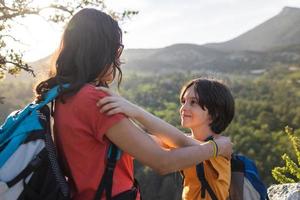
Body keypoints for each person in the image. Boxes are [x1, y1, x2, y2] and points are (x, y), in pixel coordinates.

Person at [35, 8, 233, 200]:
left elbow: (156, 141)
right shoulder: (94, 100)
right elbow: (162, 162)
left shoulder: (64, 96)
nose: (118, 60)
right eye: (116, 50)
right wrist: (215, 148)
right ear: (100, 51)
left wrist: (136, 111)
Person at [97, 78, 235, 200]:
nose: (183, 108)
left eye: (193, 102)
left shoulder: (221, 147)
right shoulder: (188, 142)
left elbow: (182, 141)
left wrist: (135, 111)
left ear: (214, 113)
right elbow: (141, 139)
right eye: (183, 101)